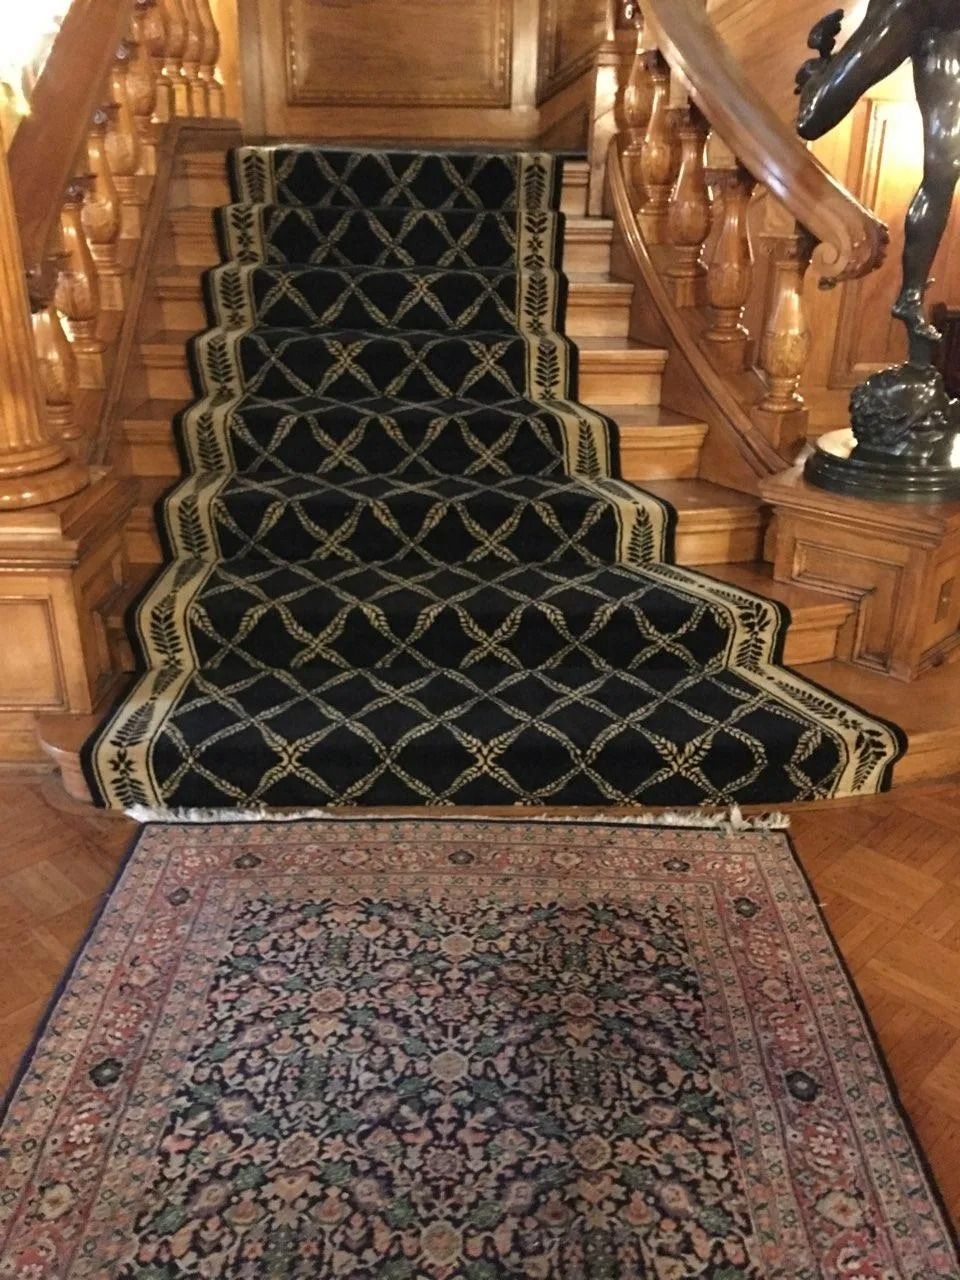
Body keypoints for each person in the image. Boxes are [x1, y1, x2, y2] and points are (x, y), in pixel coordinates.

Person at [796, 0, 960, 349]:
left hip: (953, 23)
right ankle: (818, 68)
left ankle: (910, 295)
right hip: (910, 6)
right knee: (812, 120)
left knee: (945, 165)